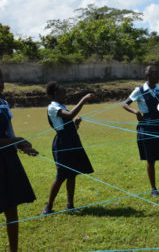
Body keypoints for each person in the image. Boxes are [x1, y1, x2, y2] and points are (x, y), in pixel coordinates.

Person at [123, 66, 159, 197]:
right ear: (148, 76)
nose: (158, 77)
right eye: (155, 75)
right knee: (151, 158)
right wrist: (135, 112)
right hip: (147, 124)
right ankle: (154, 189)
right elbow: (125, 104)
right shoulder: (139, 90)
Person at [42, 81, 94, 214]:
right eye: (63, 93)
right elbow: (69, 115)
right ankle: (49, 207)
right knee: (61, 175)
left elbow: (69, 125)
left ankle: (70, 205)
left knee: (72, 173)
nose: (65, 95)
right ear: (55, 94)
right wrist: (84, 99)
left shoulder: (60, 105)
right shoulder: (52, 107)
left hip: (71, 141)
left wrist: (76, 125)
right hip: (62, 143)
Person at [0, 68, 38, 252]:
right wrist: (18, 140)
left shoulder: (3, 103)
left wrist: (23, 146)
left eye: (1, 78)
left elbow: (9, 132)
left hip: (9, 160)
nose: (0, 83)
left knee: (11, 208)